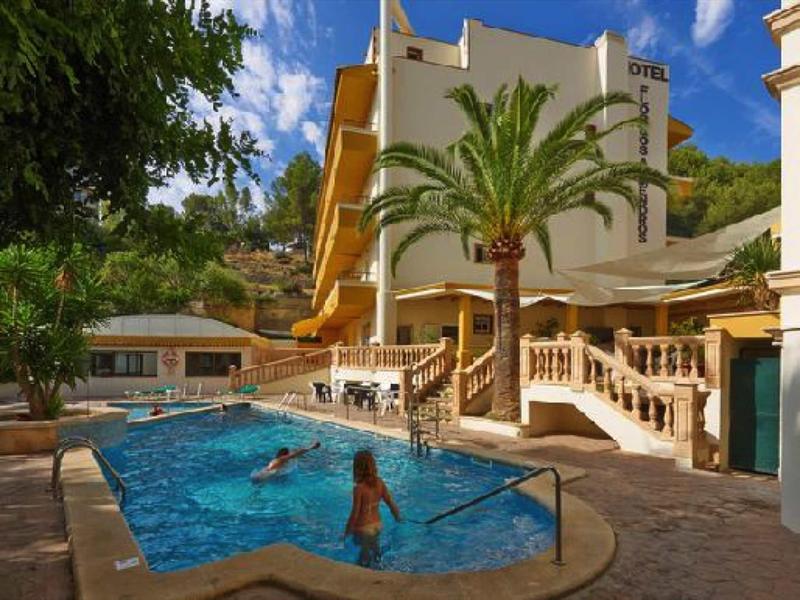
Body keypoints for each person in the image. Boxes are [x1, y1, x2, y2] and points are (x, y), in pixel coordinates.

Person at [343, 450, 401, 568]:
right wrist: (398, 518)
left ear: (357, 468)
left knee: (363, 560)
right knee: (376, 553)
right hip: (378, 525)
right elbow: (390, 503)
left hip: (363, 528)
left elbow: (355, 514)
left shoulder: (359, 489)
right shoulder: (379, 483)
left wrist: (346, 533)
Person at [250, 440, 321, 482]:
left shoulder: (281, 460)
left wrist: (311, 446)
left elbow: (298, 452)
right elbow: (298, 452)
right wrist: (311, 447)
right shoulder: (284, 460)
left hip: (263, 476)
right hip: (265, 476)